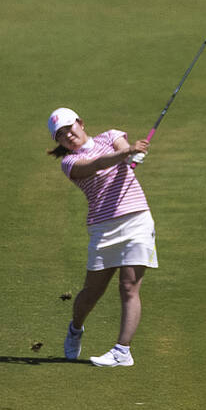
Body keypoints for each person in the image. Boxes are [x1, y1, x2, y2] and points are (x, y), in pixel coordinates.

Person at [46, 107, 156, 367]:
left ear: (80, 123)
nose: (68, 135)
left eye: (69, 128)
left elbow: (123, 147)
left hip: (138, 219)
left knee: (129, 286)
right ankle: (75, 328)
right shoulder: (69, 163)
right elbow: (96, 165)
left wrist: (133, 152)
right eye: (61, 135)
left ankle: (122, 351)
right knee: (91, 293)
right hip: (103, 228)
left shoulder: (111, 136)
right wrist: (127, 153)